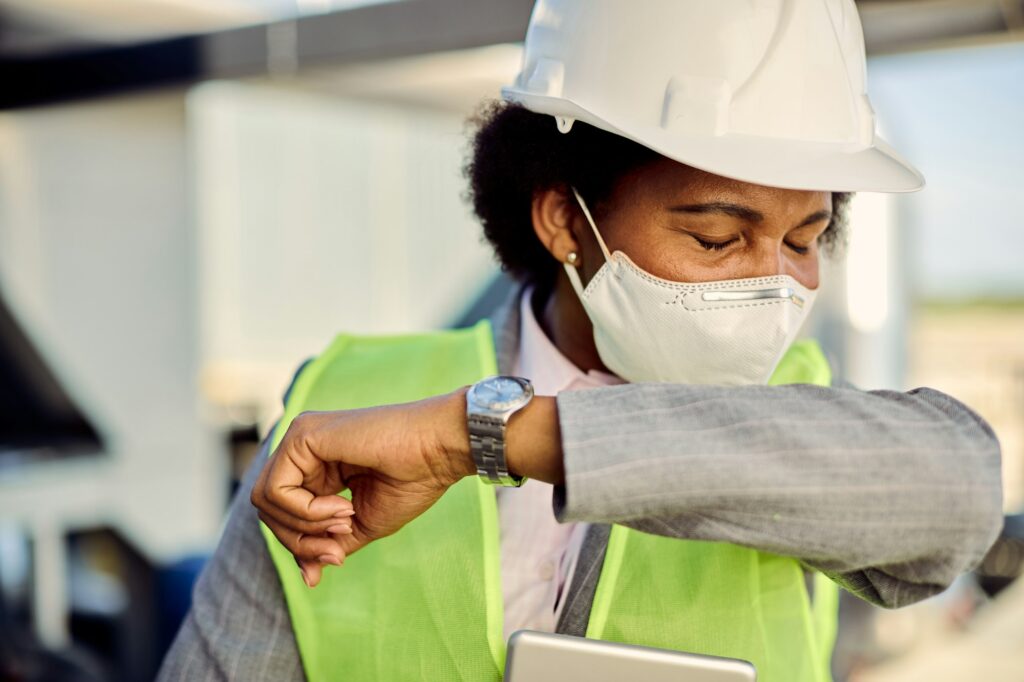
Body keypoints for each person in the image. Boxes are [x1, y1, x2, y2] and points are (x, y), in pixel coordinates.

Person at [158, 1, 1004, 680]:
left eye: (803, 241)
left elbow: (960, 492)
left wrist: (483, 437)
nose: (771, 286)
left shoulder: (809, 419)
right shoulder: (344, 411)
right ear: (566, 217)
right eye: (716, 238)